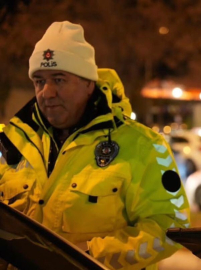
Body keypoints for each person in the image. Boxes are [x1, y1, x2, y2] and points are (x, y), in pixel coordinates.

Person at [0, 21, 190, 270]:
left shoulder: (144, 145)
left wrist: (88, 254)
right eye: (39, 81)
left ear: (89, 83)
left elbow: (172, 226)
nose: (46, 92)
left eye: (59, 79)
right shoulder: (12, 143)